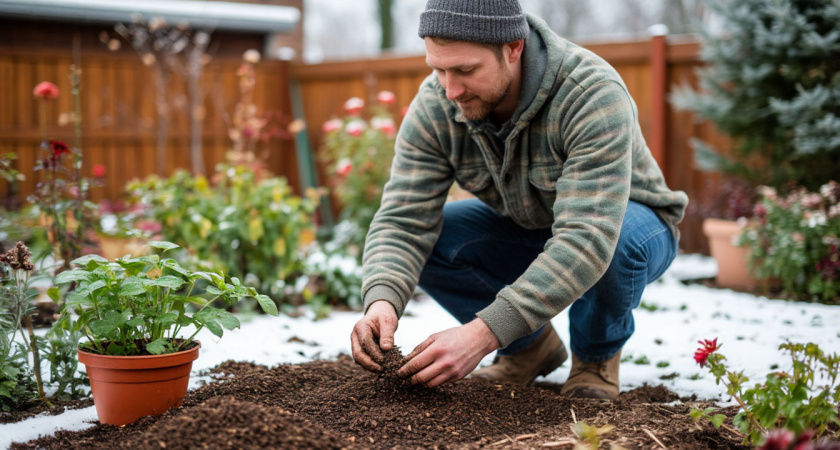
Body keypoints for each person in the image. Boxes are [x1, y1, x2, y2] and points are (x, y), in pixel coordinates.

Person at [350, 0, 688, 400]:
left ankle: (595, 359)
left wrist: (481, 334)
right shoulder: (436, 105)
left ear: (513, 48)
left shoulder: (591, 94)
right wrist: (382, 300)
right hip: (529, 227)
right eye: (438, 69)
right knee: (436, 239)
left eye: (466, 70)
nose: (451, 89)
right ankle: (529, 349)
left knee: (618, 243)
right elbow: (403, 220)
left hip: (630, 226)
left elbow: (588, 237)